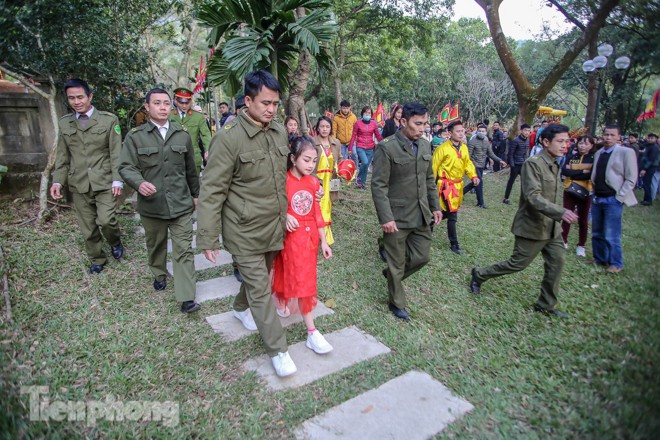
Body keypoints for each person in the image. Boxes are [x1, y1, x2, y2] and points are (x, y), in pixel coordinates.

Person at [196, 70, 299, 377]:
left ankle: (239, 309)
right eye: (265, 103)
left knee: (262, 277)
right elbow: (212, 190)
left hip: (273, 225)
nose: (271, 109)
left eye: (275, 103)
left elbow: (283, 175)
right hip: (243, 230)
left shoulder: (279, 132)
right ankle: (279, 350)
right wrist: (207, 236)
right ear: (248, 101)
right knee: (259, 287)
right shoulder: (228, 139)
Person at [470, 123, 579, 318]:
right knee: (517, 264)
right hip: (533, 225)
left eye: (567, 141)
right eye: (560, 141)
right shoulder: (534, 163)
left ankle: (545, 304)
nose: (565, 145)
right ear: (546, 142)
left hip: (552, 228)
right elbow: (532, 196)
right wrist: (560, 212)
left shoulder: (555, 163)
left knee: (557, 262)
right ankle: (479, 274)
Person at [119, 88, 200, 313]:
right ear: (147, 107)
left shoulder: (181, 135)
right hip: (152, 205)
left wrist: (196, 195)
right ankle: (158, 272)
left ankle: (186, 298)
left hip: (181, 204)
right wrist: (138, 182)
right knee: (156, 245)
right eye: (157, 103)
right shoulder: (135, 137)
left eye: (166, 103)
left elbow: (190, 169)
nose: (163, 107)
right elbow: (126, 166)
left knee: (184, 250)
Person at [371, 102, 442, 321]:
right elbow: (379, 185)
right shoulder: (387, 147)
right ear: (403, 122)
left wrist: (435, 206)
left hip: (420, 213)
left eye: (425, 124)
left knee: (422, 256)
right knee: (396, 261)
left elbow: (429, 179)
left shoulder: (424, 145)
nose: (422, 128)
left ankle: (393, 274)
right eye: (417, 123)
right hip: (397, 216)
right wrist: (386, 218)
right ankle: (397, 303)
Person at [50, 78, 124, 274]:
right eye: (71, 98)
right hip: (79, 182)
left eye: (80, 97)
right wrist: (58, 180)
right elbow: (63, 155)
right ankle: (97, 258)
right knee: (88, 226)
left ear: (90, 96)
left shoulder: (109, 120)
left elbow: (116, 152)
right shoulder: (65, 123)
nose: (76, 101)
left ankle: (115, 240)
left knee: (107, 220)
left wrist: (118, 179)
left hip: (105, 180)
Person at [271, 136, 334, 352]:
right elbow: (275, 205)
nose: (310, 165)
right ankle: (310, 329)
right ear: (293, 158)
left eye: (314, 161)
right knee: (292, 273)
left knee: (304, 277)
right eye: (306, 160)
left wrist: (324, 240)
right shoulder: (282, 181)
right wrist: (285, 216)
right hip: (290, 237)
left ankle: (306, 326)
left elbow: (317, 212)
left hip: (310, 239)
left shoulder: (314, 182)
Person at [589, 125, 638, 273]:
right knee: (597, 231)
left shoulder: (626, 152)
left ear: (618, 137)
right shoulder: (599, 153)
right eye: (606, 134)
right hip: (598, 197)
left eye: (612, 135)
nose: (608, 138)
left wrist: (620, 197)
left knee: (611, 234)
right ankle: (600, 258)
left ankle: (616, 263)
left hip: (613, 199)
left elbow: (631, 178)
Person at [432, 120, 479, 255]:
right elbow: (433, 168)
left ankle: (429, 222)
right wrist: (431, 186)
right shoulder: (442, 149)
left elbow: (467, 163)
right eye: (458, 131)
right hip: (445, 185)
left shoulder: (464, 148)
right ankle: (454, 244)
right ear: (449, 132)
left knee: (447, 212)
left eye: (462, 131)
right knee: (452, 214)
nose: (461, 133)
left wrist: (473, 175)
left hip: (458, 185)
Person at [561, 135, 595, 256]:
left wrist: (575, 173)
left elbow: (590, 175)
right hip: (569, 190)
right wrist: (582, 171)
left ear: (591, 145)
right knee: (566, 216)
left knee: (583, 219)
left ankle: (581, 245)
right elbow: (565, 171)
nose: (582, 146)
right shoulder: (571, 156)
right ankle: (563, 240)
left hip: (586, 192)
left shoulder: (593, 158)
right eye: (580, 143)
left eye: (586, 144)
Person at [313, 116, 341, 245]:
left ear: (331, 129)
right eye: (322, 126)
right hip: (316, 180)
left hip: (331, 180)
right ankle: (316, 236)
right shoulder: (312, 142)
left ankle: (325, 237)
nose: (324, 129)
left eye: (327, 127)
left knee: (327, 207)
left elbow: (340, 160)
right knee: (317, 206)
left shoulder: (336, 142)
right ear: (318, 128)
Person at [170, 87, 211, 171]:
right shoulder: (169, 115)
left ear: (191, 101)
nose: (184, 106)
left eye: (187, 103)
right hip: (173, 158)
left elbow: (206, 134)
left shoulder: (198, 116)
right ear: (175, 101)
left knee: (194, 183)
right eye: (181, 103)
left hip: (193, 158)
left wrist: (208, 149)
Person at [466, 124, 506, 208]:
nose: (481, 132)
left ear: (486, 132)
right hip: (474, 165)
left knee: (475, 183)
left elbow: (490, 154)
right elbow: (467, 156)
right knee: (479, 182)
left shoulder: (486, 140)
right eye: (479, 131)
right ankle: (481, 203)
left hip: (481, 165)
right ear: (477, 131)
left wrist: (500, 160)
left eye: (483, 131)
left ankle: (460, 193)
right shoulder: (472, 141)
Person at [349, 106, 383, 189]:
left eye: (369, 113)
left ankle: (362, 184)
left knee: (366, 166)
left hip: (370, 148)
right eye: (365, 113)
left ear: (371, 114)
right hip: (360, 146)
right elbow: (353, 136)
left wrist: (384, 143)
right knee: (364, 162)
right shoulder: (358, 123)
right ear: (362, 113)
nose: (367, 114)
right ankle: (359, 179)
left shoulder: (374, 123)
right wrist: (350, 148)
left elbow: (378, 135)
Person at [503, 124, 532, 205]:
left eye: (528, 131)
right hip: (515, 164)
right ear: (521, 131)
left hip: (523, 164)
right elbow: (510, 154)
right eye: (525, 130)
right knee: (511, 181)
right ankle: (506, 198)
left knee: (526, 182)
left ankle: (525, 199)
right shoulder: (515, 140)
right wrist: (512, 165)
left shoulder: (527, 140)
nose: (527, 132)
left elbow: (526, 153)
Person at [332, 99, 358, 165]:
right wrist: (334, 141)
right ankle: (343, 173)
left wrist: (356, 139)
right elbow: (334, 130)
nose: (345, 110)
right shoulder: (336, 117)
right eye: (344, 108)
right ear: (341, 108)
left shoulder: (353, 117)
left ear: (350, 107)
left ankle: (355, 171)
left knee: (354, 155)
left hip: (351, 141)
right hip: (341, 142)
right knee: (342, 158)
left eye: (347, 108)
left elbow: (356, 129)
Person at [640, 133, 659, 205]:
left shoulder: (654, 147)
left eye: (652, 138)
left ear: (655, 139)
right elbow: (641, 147)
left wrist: (644, 169)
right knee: (645, 183)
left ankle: (648, 200)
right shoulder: (648, 145)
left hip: (650, 167)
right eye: (649, 138)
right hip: (647, 166)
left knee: (647, 183)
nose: (650, 139)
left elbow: (651, 160)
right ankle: (646, 199)